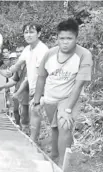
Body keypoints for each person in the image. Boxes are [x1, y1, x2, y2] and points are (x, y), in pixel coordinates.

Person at [32, 19, 92, 166]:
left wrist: (68, 109)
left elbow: (78, 85)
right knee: (54, 129)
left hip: (69, 98)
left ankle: (62, 167)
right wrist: (37, 101)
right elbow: (41, 78)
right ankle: (54, 156)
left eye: (69, 38)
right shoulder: (50, 54)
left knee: (64, 124)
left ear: (76, 38)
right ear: (57, 38)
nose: (65, 42)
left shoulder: (84, 55)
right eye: (62, 38)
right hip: (51, 97)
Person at [5, 23, 49, 142]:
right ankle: (33, 138)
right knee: (32, 113)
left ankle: (34, 141)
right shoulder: (27, 49)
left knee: (35, 112)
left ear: (38, 34)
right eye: (26, 32)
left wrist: (38, 94)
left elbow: (42, 75)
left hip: (42, 87)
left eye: (32, 32)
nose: (28, 35)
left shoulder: (42, 50)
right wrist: (10, 71)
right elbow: (19, 64)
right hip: (33, 87)